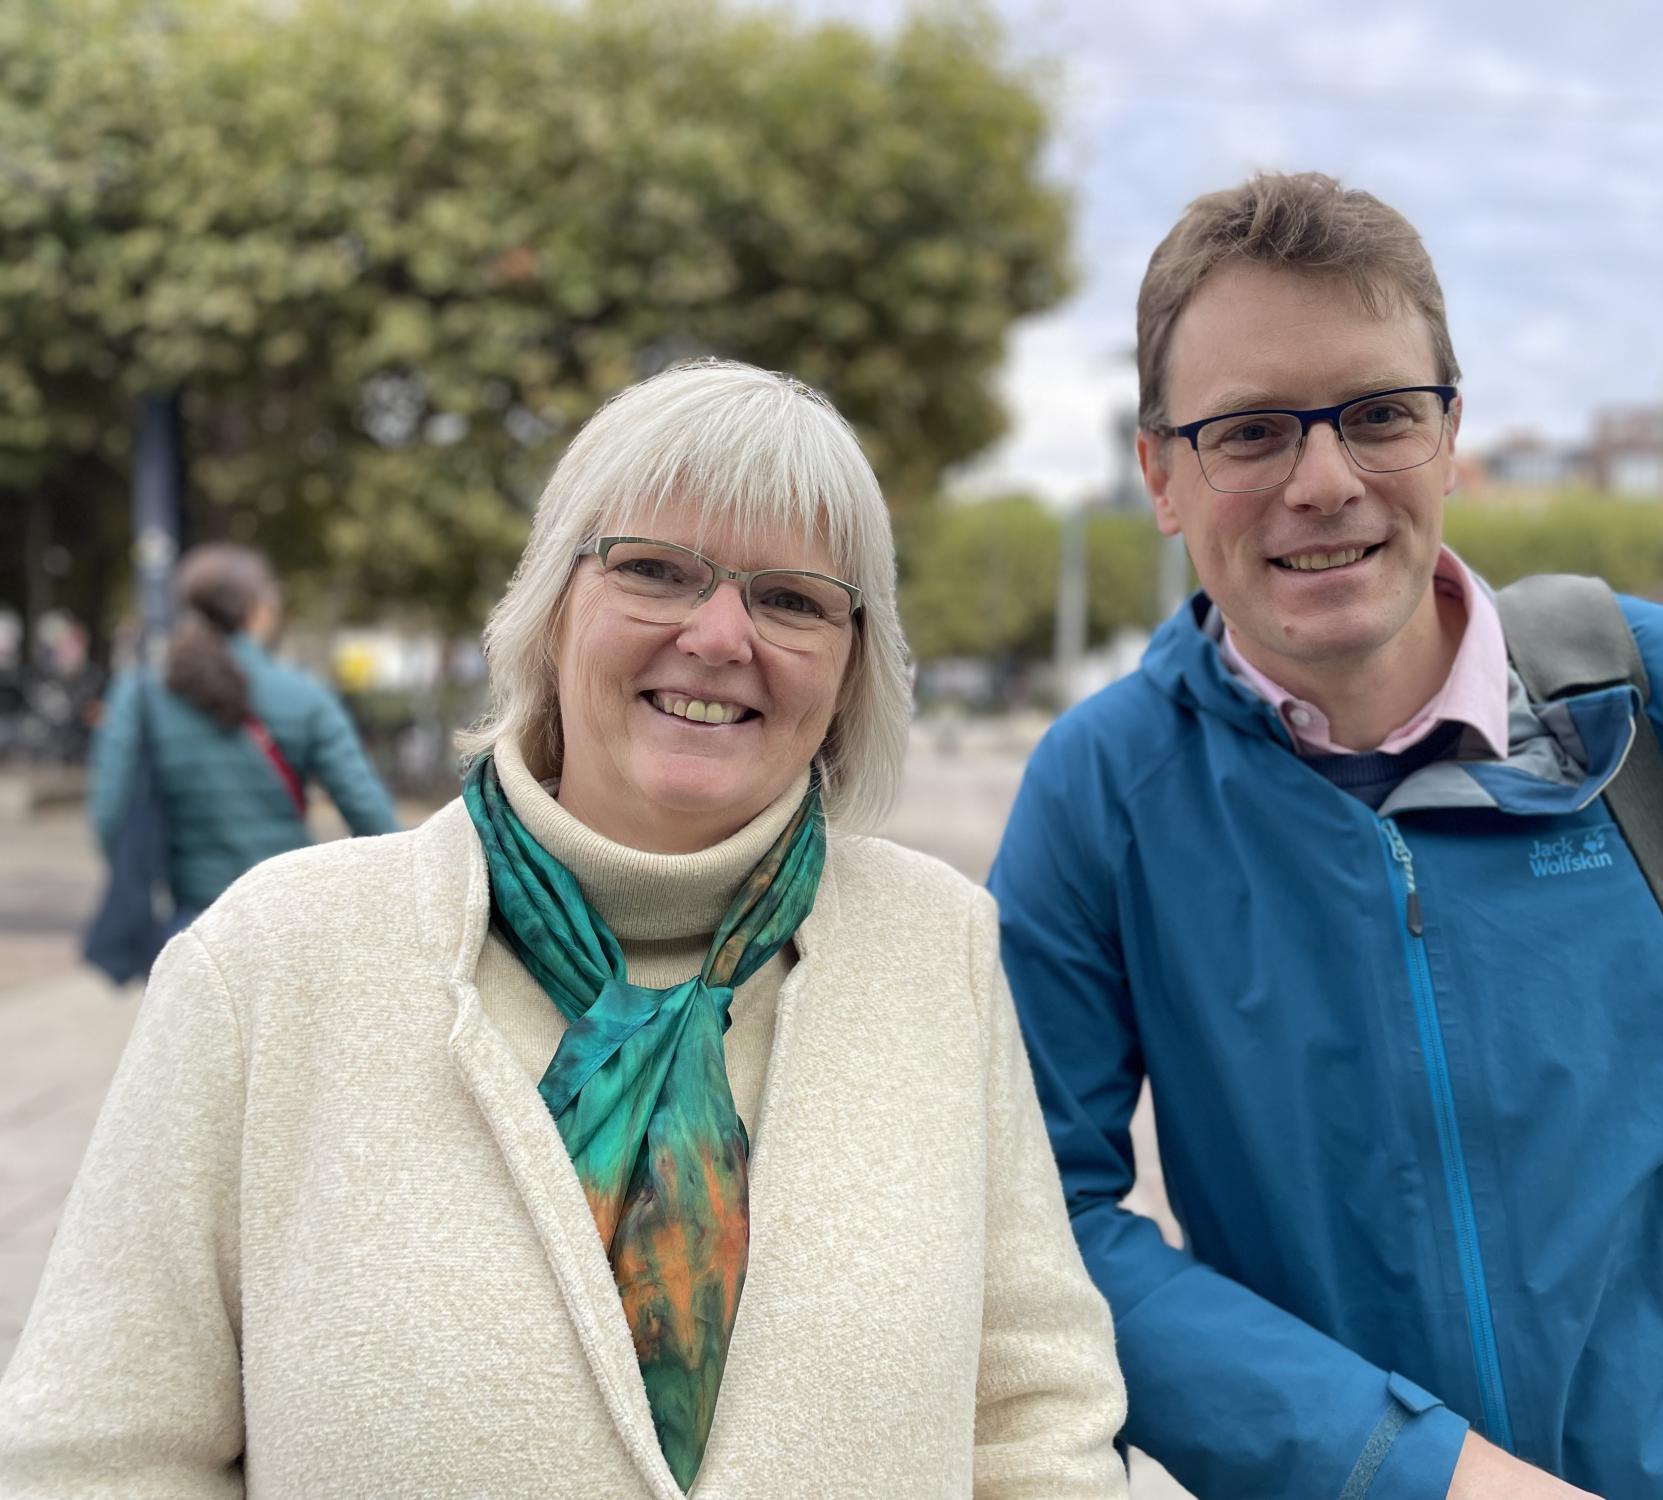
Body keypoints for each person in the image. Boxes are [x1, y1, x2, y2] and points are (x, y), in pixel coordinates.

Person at [989, 172, 1663, 1499]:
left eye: (1381, 415)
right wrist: (1408, 1470)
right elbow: (1032, 1229)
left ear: (1452, 436)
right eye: (1248, 434)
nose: (1325, 480)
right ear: (1159, 476)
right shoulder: (1101, 793)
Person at [0, 361, 1126, 1498]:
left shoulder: (940, 950)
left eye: (790, 598)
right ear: (550, 604)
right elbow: (100, 1456)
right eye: (654, 570)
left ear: (851, 664)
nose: (721, 633)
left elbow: (1032, 1416)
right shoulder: (269, 962)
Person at [85, 542, 399, 932]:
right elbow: (374, 818)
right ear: (258, 612)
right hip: (289, 923)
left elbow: (109, 817)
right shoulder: (306, 697)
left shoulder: (141, 695)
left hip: (192, 924)